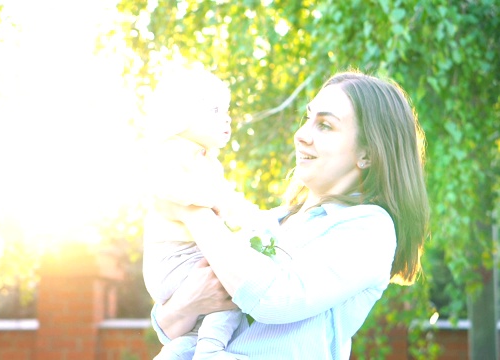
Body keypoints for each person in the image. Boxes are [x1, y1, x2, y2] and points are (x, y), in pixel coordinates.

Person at [150, 70, 430, 359]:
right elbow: (169, 327)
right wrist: (188, 304)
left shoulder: (369, 229)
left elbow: (273, 297)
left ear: (367, 153)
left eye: (325, 126)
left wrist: (192, 212)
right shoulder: (271, 221)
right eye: (307, 119)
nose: (301, 135)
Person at [142, 64, 280, 360]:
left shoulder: (204, 160)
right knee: (235, 289)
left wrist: (261, 219)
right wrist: (206, 200)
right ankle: (212, 350)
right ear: (181, 117)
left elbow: (231, 203)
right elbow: (162, 185)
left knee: (196, 326)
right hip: (175, 258)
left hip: (181, 260)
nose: (226, 117)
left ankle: (180, 352)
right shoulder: (173, 150)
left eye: (226, 109)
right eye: (215, 110)